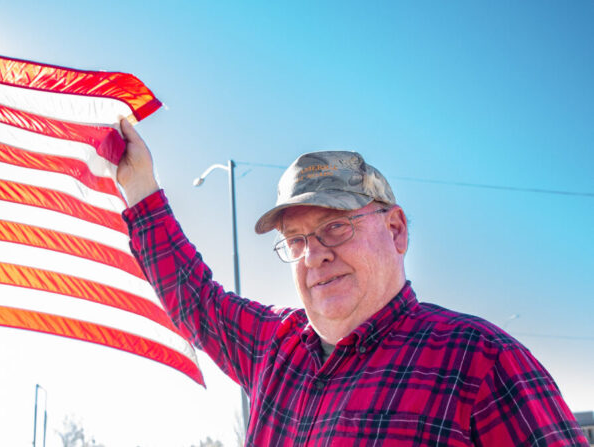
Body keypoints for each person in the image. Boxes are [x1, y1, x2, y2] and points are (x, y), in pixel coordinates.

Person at [116, 119, 588, 446]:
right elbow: (195, 298)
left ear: (396, 230)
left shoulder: (480, 360)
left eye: (336, 226)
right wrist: (140, 187)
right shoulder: (274, 347)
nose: (315, 254)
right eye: (296, 240)